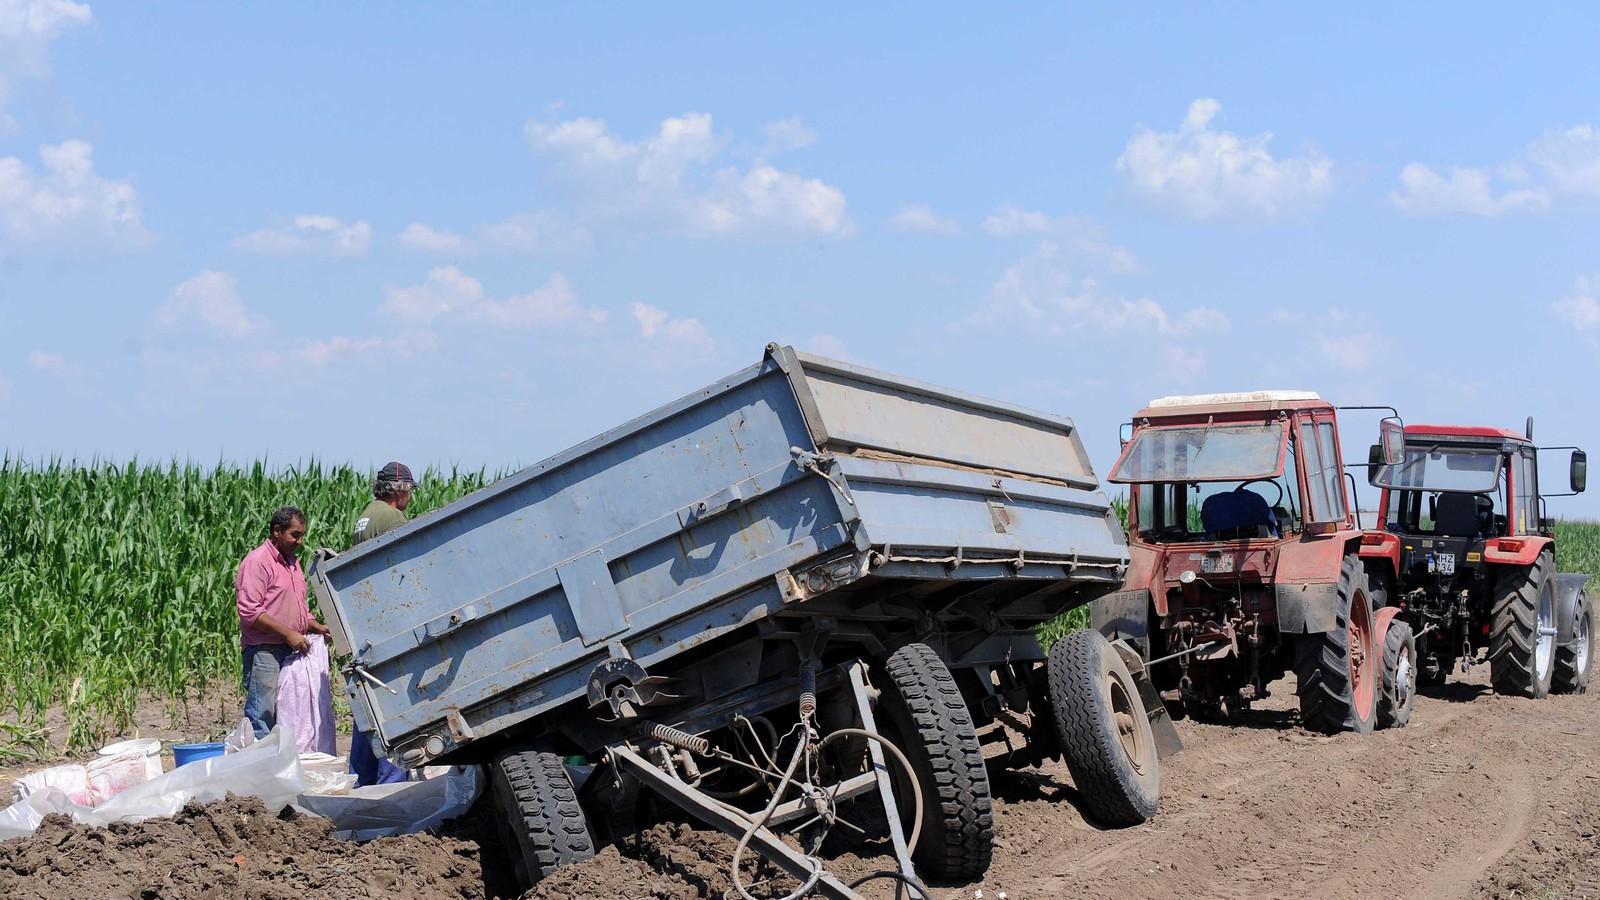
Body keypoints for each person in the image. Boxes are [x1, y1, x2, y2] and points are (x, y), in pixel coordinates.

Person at [348, 462, 417, 786]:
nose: (410, 497)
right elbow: (402, 568)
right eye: (409, 491)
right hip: (388, 621)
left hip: (365, 621)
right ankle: (393, 783)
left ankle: (362, 778)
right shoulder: (392, 518)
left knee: (368, 701)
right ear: (399, 490)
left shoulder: (366, 515)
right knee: (393, 700)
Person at [236, 505, 330, 739]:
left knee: (288, 714)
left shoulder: (292, 563)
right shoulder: (258, 561)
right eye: (295, 535)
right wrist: (288, 633)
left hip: (291, 649)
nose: (300, 541)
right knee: (263, 714)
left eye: (302, 535)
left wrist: (314, 625)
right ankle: (260, 771)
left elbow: (298, 608)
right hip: (265, 650)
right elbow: (250, 611)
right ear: (277, 531)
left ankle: (280, 766)